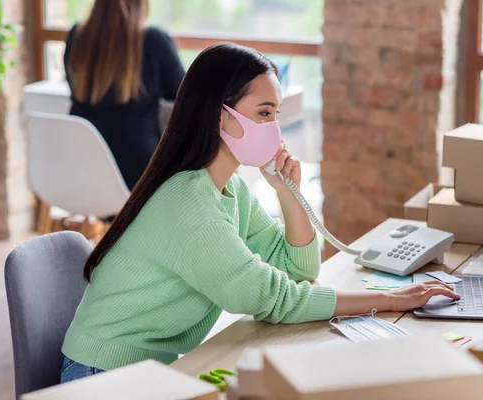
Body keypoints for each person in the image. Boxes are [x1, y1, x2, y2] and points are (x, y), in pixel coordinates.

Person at [60, 43, 459, 383]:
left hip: (150, 371)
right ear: (220, 116)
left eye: (276, 115)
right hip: (103, 377)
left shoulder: (228, 188)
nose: (275, 130)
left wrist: (289, 194)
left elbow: (299, 271)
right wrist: (391, 300)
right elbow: (274, 298)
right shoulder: (188, 204)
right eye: (263, 113)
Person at [64, 0, 185, 190]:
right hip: (138, 173)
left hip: (80, 167)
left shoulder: (77, 35)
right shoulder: (154, 40)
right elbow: (184, 94)